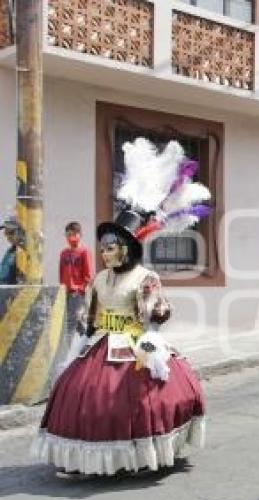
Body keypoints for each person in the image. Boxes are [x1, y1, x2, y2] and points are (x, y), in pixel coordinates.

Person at [32, 138, 208, 476]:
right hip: (100, 343)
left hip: (135, 344)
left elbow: (155, 312)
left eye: (111, 246)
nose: (105, 252)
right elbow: (92, 310)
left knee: (134, 400)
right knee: (80, 394)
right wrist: (85, 321)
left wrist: (158, 311)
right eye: (103, 246)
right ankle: (91, 457)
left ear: (126, 249)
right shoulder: (99, 279)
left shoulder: (145, 277)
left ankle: (137, 455)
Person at [59, 221, 94, 337]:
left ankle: (66, 351)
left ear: (80, 235)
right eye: (68, 235)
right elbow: (61, 272)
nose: (71, 237)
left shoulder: (84, 252)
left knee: (70, 321)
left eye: (74, 234)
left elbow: (88, 275)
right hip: (65, 291)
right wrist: (62, 288)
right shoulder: (64, 253)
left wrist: (80, 289)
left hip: (77, 292)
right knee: (76, 321)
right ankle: (87, 341)